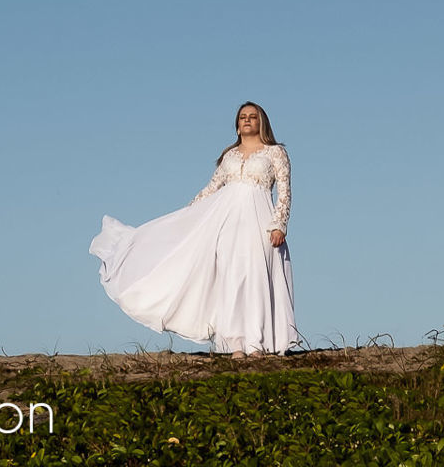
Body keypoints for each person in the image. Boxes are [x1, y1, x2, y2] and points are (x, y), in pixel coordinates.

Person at [90, 102, 303, 356]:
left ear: (262, 122)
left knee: (257, 277)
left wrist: (280, 224)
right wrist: (187, 216)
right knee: (232, 278)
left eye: (253, 117)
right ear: (237, 126)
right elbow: (211, 189)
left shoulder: (275, 152)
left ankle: (256, 343)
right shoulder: (229, 157)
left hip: (261, 222)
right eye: (243, 117)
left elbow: (285, 192)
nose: (247, 120)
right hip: (228, 224)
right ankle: (236, 343)